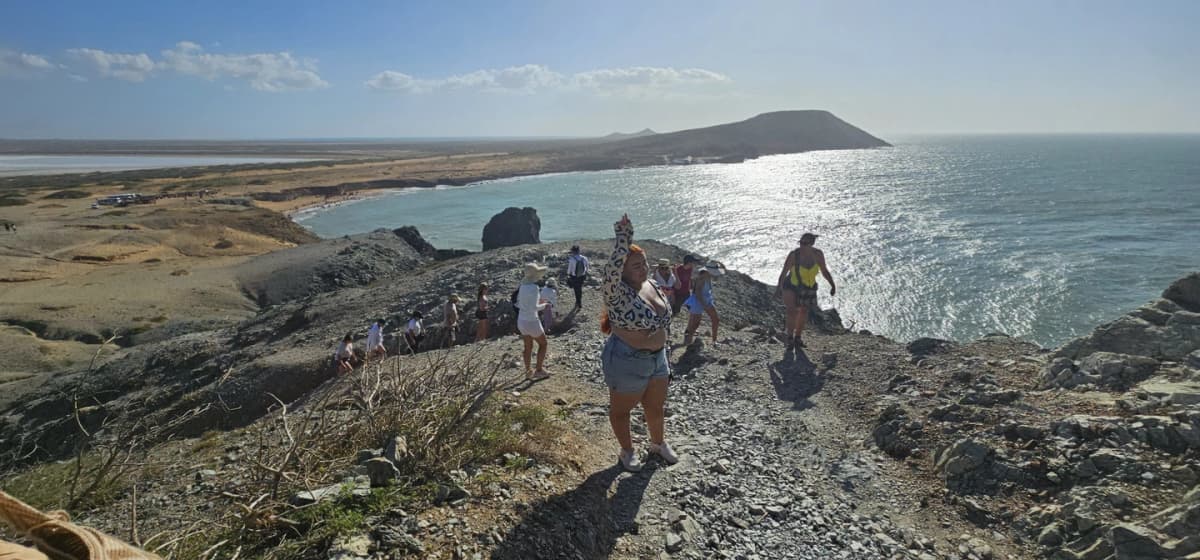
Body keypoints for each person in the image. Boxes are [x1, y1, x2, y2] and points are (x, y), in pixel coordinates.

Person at [601, 214, 677, 472]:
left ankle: (658, 443)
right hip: (628, 360)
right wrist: (623, 238)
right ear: (621, 271)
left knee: (655, 406)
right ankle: (627, 451)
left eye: (644, 263)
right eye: (635, 266)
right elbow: (610, 270)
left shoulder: (652, 284)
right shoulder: (616, 293)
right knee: (621, 410)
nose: (643, 269)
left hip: (658, 358)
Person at [776, 232, 836, 349]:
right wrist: (779, 288)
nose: (801, 245)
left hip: (808, 287)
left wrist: (832, 285)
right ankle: (789, 338)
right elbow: (784, 272)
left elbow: (824, 271)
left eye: (804, 243)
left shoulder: (818, 254)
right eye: (801, 243)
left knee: (803, 311)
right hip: (791, 285)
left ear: (811, 244)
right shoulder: (794, 255)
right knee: (791, 311)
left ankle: (798, 337)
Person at [517, 263, 551, 380]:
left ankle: (528, 371)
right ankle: (539, 370)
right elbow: (534, 308)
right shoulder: (534, 288)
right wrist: (545, 305)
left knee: (528, 347)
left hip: (521, 320)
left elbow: (521, 303)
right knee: (543, 344)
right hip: (532, 321)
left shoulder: (522, 286)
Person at [683, 261, 725, 346]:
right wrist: (704, 305)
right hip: (699, 301)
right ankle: (688, 343)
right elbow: (698, 292)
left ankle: (714, 340)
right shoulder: (702, 278)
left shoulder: (707, 276)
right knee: (695, 324)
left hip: (707, 300)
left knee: (715, 319)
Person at [565, 245, 590, 310]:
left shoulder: (572, 259)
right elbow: (587, 267)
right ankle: (578, 301)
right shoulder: (584, 258)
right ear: (579, 251)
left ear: (573, 251)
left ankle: (578, 302)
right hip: (582, 276)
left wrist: (568, 275)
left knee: (576, 289)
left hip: (574, 277)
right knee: (580, 288)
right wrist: (585, 273)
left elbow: (569, 269)